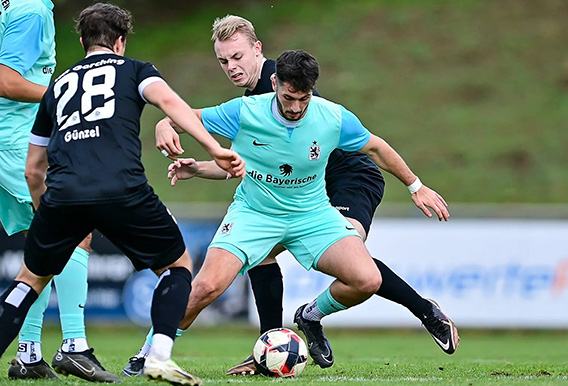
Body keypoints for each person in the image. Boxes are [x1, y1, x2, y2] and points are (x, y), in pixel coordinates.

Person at [122, 15, 459, 377]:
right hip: (265, 206)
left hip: (343, 178)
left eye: (237, 57)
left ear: (258, 50)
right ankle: (178, 351)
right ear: (274, 85)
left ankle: (405, 312)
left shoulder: (318, 106)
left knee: (362, 270)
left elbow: (374, 148)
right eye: (223, 61)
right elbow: (240, 161)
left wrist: (415, 185)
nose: (232, 68)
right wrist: (170, 130)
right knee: (212, 283)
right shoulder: (248, 107)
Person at [0, 3, 244, 385]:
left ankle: (25, 353)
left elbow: (34, 168)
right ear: (120, 42)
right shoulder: (135, 70)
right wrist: (214, 148)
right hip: (122, 188)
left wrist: (46, 213)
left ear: (81, 41)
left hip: (63, 195)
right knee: (178, 266)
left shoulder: (59, 85)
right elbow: (168, 102)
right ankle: (159, 355)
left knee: (28, 281)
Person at [0, 0, 119, 381]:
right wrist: (62, 93)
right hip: (15, 145)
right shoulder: (31, 9)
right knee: (75, 233)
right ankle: (75, 347)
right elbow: (6, 79)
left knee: (43, 247)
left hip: (10, 142)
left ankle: (28, 354)